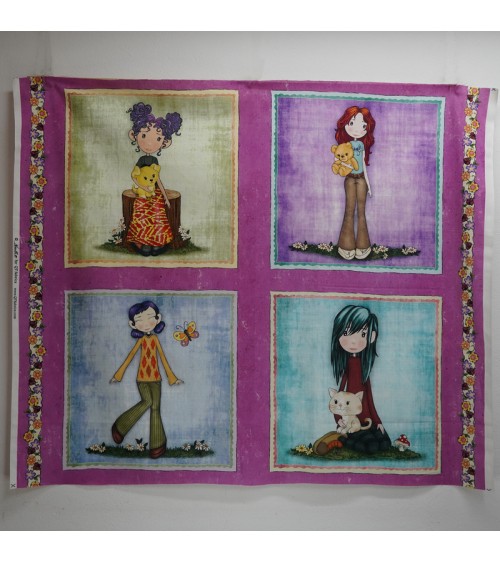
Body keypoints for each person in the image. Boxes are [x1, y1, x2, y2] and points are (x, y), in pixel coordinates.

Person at [110, 300, 183, 459]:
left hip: (156, 379)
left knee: (156, 408)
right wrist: (118, 375)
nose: (146, 323)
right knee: (147, 402)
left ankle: (158, 444)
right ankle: (120, 427)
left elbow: (163, 358)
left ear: (158, 319)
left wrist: (172, 378)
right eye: (140, 320)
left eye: (150, 318)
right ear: (133, 324)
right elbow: (130, 357)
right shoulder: (141, 341)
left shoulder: (155, 339)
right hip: (142, 379)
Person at [314, 304, 390, 455]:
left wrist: (377, 421)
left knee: (385, 443)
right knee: (371, 447)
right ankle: (343, 440)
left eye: (362, 334)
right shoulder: (347, 368)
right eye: (347, 333)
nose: (354, 341)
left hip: (367, 419)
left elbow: (369, 397)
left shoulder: (364, 368)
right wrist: (339, 419)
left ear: (371, 337)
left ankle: (345, 440)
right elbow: (339, 396)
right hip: (351, 419)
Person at [126, 102, 182, 256]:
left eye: (157, 139)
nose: (149, 143)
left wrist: (165, 197)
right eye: (144, 136)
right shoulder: (141, 161)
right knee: (141, 212)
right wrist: (142, 187)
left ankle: (157, 241)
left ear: (165, 142)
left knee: (158, 213)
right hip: (142, 193)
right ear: (134, 135)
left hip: (154, 192)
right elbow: (134, 176)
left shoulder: (155, 162)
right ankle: (143, 242)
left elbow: (158, 180)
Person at [333, 106, 375, 261]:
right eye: (352, 124)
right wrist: (342, 165)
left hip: (362, 178)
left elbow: (363, 164)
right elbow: (339, 160)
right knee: (349, 210)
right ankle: (346, 245)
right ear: (345, 124)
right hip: (350, 179)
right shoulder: (345, 146)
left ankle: (363, 245)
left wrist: (369, 185)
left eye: (363, 125)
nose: (357, 129)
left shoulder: (362, 145)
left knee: (361, 212)